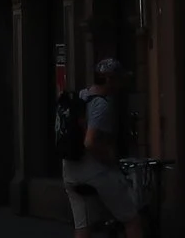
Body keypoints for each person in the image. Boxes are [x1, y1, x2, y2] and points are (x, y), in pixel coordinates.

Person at [58, 59, 139, 238]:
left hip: (70, 170)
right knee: (131, 219)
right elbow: (90, 142)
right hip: (94, 171)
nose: (121, 84)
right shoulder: (101, 104)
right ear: (109, 79)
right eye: (118, 79)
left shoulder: (80, 96)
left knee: (82, 226)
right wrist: (109, 160)